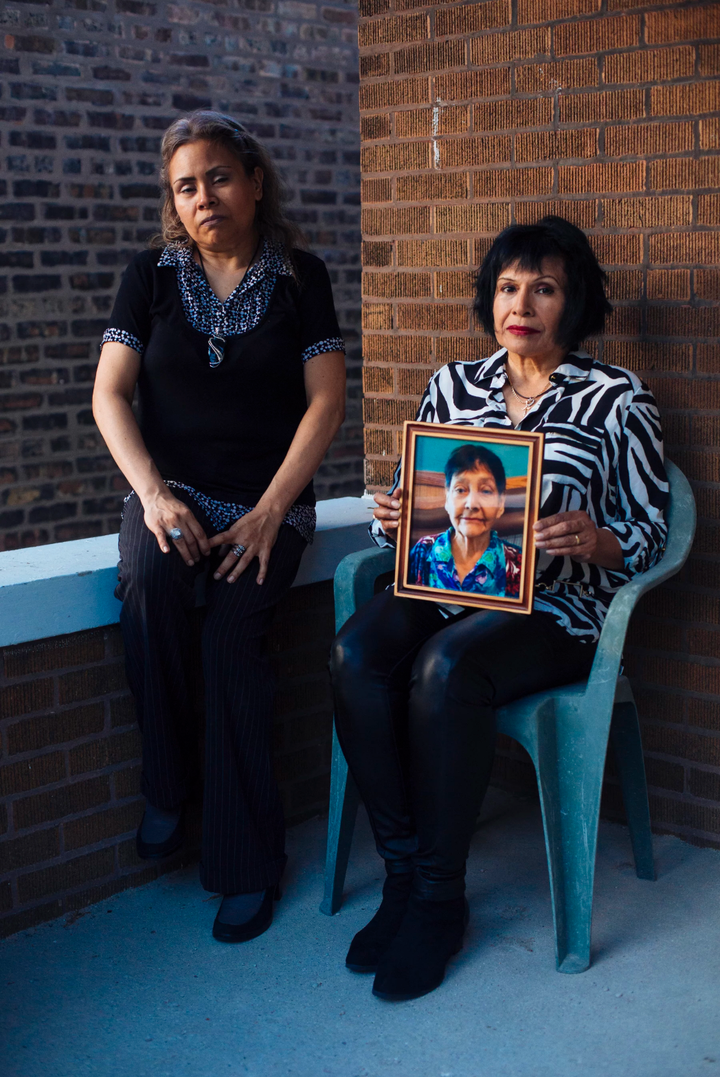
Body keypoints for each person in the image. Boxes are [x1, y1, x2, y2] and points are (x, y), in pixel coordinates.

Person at [330, 216, 668, 1001]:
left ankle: (441, 902)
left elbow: (650, 538)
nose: (523, 303)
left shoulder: (617, 399)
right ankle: (404, 876)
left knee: (445, 668)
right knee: (358, 648)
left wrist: (596, 539)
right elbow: (422, 500)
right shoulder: (454, 385)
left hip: (558, 616)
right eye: (510, 286)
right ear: (491, 298)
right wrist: (396, 515)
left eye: (544, 288)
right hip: (449, 590)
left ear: (573, 302)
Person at [92, 111, 346, 943]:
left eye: (220, 177)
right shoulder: (150, 277)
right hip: (171, 494)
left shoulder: (302, 278)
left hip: (268, 506)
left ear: (256, 180)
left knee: (234, 640)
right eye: (186, 186)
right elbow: (110, 394)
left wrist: (275, 508)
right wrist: (156, 494)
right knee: (154, 578)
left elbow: (325, 401)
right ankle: (166, 783)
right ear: (175, 201)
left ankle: (247, 865)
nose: (206, 197)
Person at [408, 443, 521, 597]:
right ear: (447, 498)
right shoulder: (424, 550)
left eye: (486, 491)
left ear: (500, 504)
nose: (472, 504)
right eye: (460, 490)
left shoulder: (517, 562)